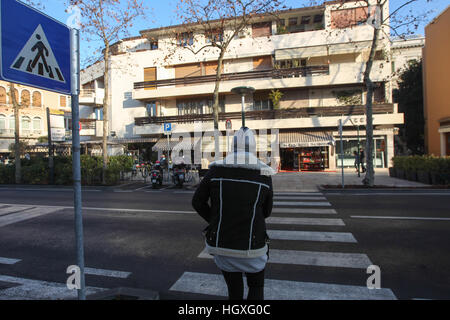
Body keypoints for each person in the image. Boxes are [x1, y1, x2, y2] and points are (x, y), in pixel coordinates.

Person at [192, 127, 275, 300]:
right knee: (256, 286)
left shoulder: (215, 171)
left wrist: (215, 220)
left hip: (222, 244)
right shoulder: (265, 174)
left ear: (232, 147)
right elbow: (267, 212)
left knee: (234, 290)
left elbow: (197, 202)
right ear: (254, 148)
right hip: (253, 246)